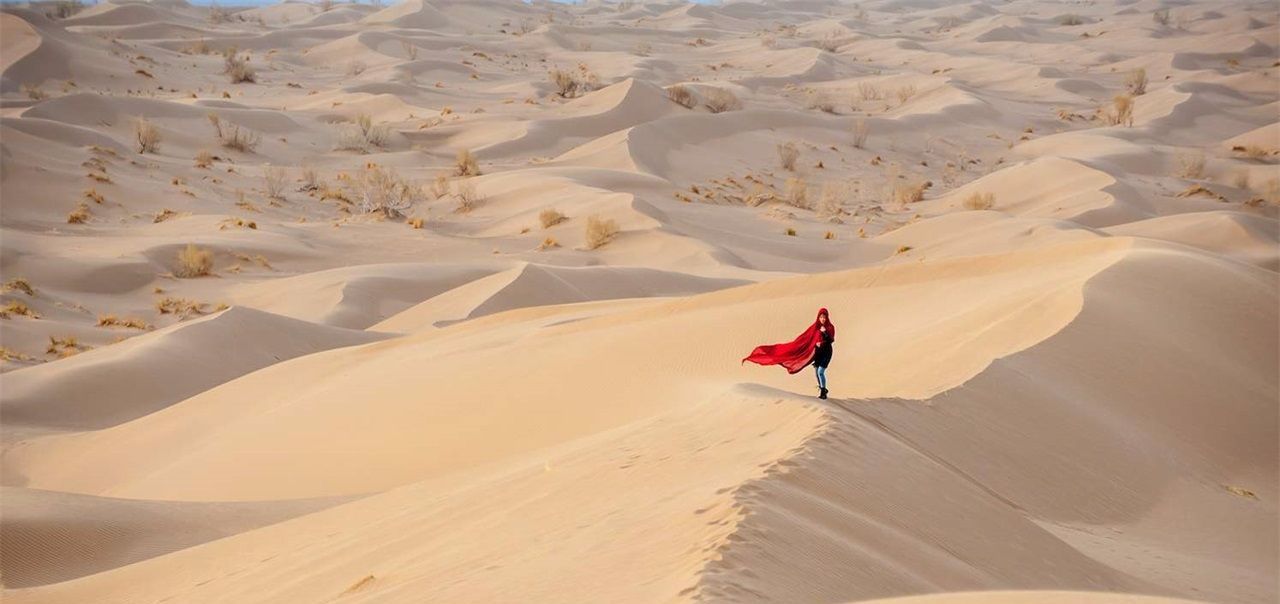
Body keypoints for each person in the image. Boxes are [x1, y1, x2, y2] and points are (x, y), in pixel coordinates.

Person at [742, 308, 836, 399]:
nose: (823, 319)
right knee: (816, 373)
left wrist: (824, 333)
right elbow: (805, 338)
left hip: (826, 352)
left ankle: (823, 390)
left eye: (824, 317)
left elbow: (831, 340)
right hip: (818, 353)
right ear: (818, 318)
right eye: (821, 317)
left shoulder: (830, 327)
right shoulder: (815, 327)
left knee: (820, 372)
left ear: (827, 317)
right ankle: (822, 390)